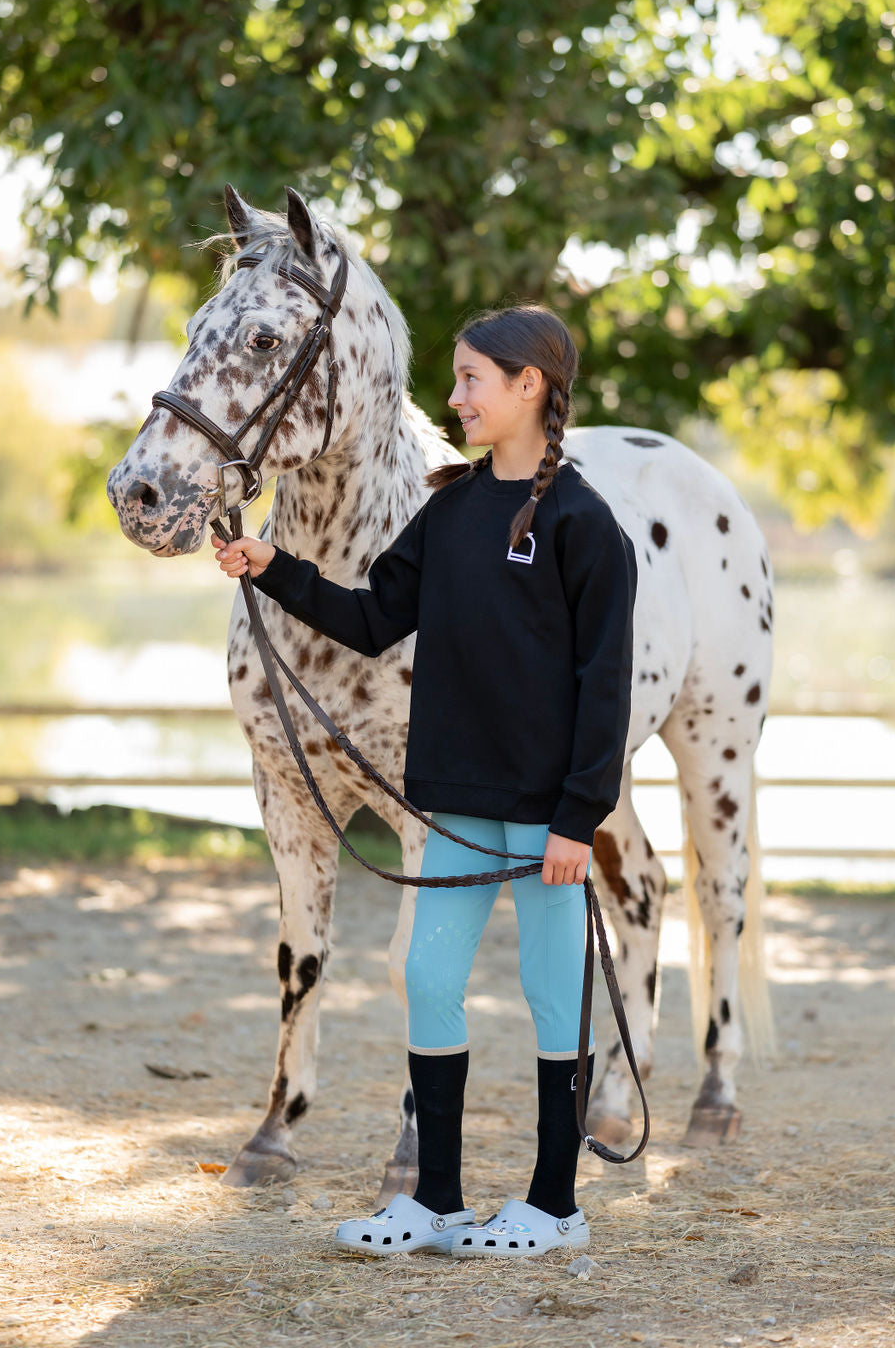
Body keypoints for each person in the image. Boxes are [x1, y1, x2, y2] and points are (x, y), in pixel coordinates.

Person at [212, 303, 637, 1259]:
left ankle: (553, 1205)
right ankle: (434, 1201)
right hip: (456, 803)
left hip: (549, 821)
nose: (454, 399)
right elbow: (370, 619)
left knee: (547, 988)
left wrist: (579, 820)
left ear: (530, 386)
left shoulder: (582, 522)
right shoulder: (447, 510)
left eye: (472, 380)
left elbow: (604, 681)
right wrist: (272, 565)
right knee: (427, 978)